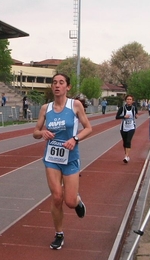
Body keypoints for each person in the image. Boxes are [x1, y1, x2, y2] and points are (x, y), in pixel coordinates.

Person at [33, 73, 92, 250]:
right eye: (54, 83)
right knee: (57, 197)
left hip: (70, 158)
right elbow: (35, 132)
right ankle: (59, 234)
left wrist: (74, 139)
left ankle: (78, 201)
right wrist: (42, 133)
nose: (57, 86)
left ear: (68, 87)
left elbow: (88, 128)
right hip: (52, 158)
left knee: (69, 201)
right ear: (52, 87)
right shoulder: (46, 108)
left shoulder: (75, 105)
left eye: (61, 83)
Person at [115, 94, 138, 163]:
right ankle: (126, 155)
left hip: (131, 127)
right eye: (127, 99)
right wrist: (124, 116)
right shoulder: (122, 108)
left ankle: (126, 156)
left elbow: (136, 114)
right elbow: (117, 117)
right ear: (125, 100)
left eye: (130, 99)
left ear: (132, 101)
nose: (129, 100)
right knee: (125, 142)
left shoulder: (134, 108)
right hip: (123, 127)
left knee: (128, 141)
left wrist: (136, 116)